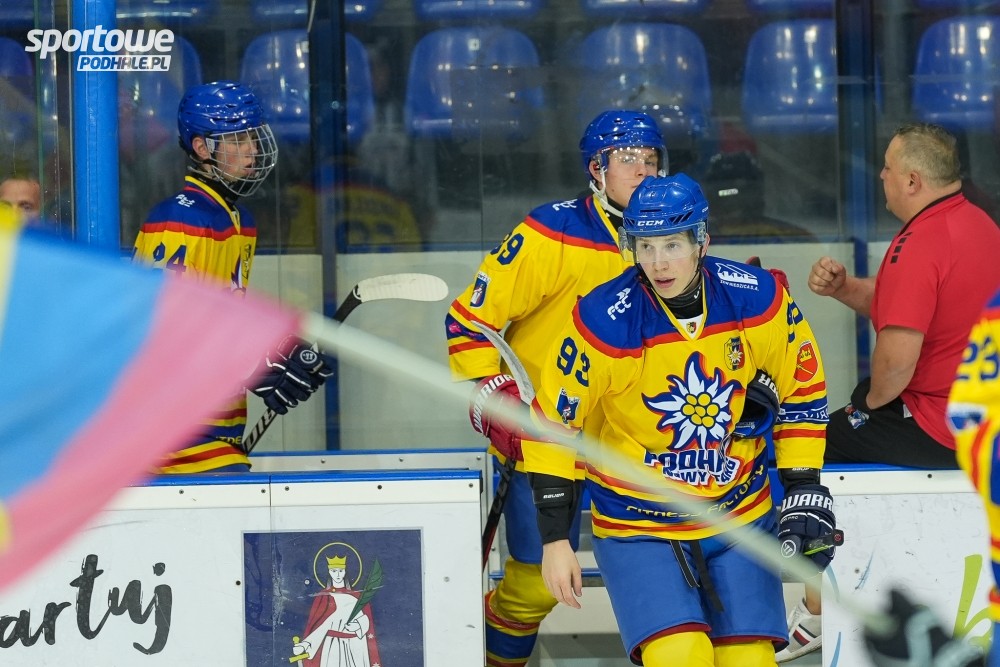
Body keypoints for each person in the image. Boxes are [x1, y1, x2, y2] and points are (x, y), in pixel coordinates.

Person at [521, 173, 837, 666]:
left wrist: (801, 485)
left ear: (701, 241)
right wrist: (555, 537)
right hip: (639, 522)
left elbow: (803, 391)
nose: (658, 262)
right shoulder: (603, 320)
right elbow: (554, 425)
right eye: (645, 246)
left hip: (737, 514)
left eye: (672, 244)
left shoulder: (759, 299)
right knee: (680, 655)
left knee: (749, 661)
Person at [445, 109, 667, 667]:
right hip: (552, 441)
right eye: (628, 159)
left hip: (641, 445)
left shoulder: (673, 235)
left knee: (666, 576)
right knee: (533, 586)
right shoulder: (551, 232)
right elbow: (470, 321)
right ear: (596, 169)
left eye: (651, 159)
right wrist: (498, 400)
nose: (643, 170)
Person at [779, 123, 1000, 662]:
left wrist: (868, 406)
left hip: (939, 426)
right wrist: (846, 289)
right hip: (983, 417)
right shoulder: (979, 224)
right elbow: (917, 299)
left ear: (913, 180)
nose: (880, 176)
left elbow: (896, 366)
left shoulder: (918, 243)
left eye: (887, 167)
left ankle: (815, 609)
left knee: (812, 442)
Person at [132, 80, 329, 474]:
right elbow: (158, 330)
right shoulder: (180, 218)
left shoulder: (238, 219)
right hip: (175, 439)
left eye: (252, 137)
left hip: (219, 432)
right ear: (203, 148)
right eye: (238, 140)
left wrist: (281, 349)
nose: (252, 149)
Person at [293, 555, 382, 667]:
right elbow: (320, 627)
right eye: (334, 571)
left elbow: (366, 619)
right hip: (333, 645)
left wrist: (358, 626)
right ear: (329, 572)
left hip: (356, 645)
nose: (338, 574)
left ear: (345, 572)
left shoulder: (357, 597)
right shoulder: (324, 597)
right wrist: (305, 644)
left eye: (341, 571)